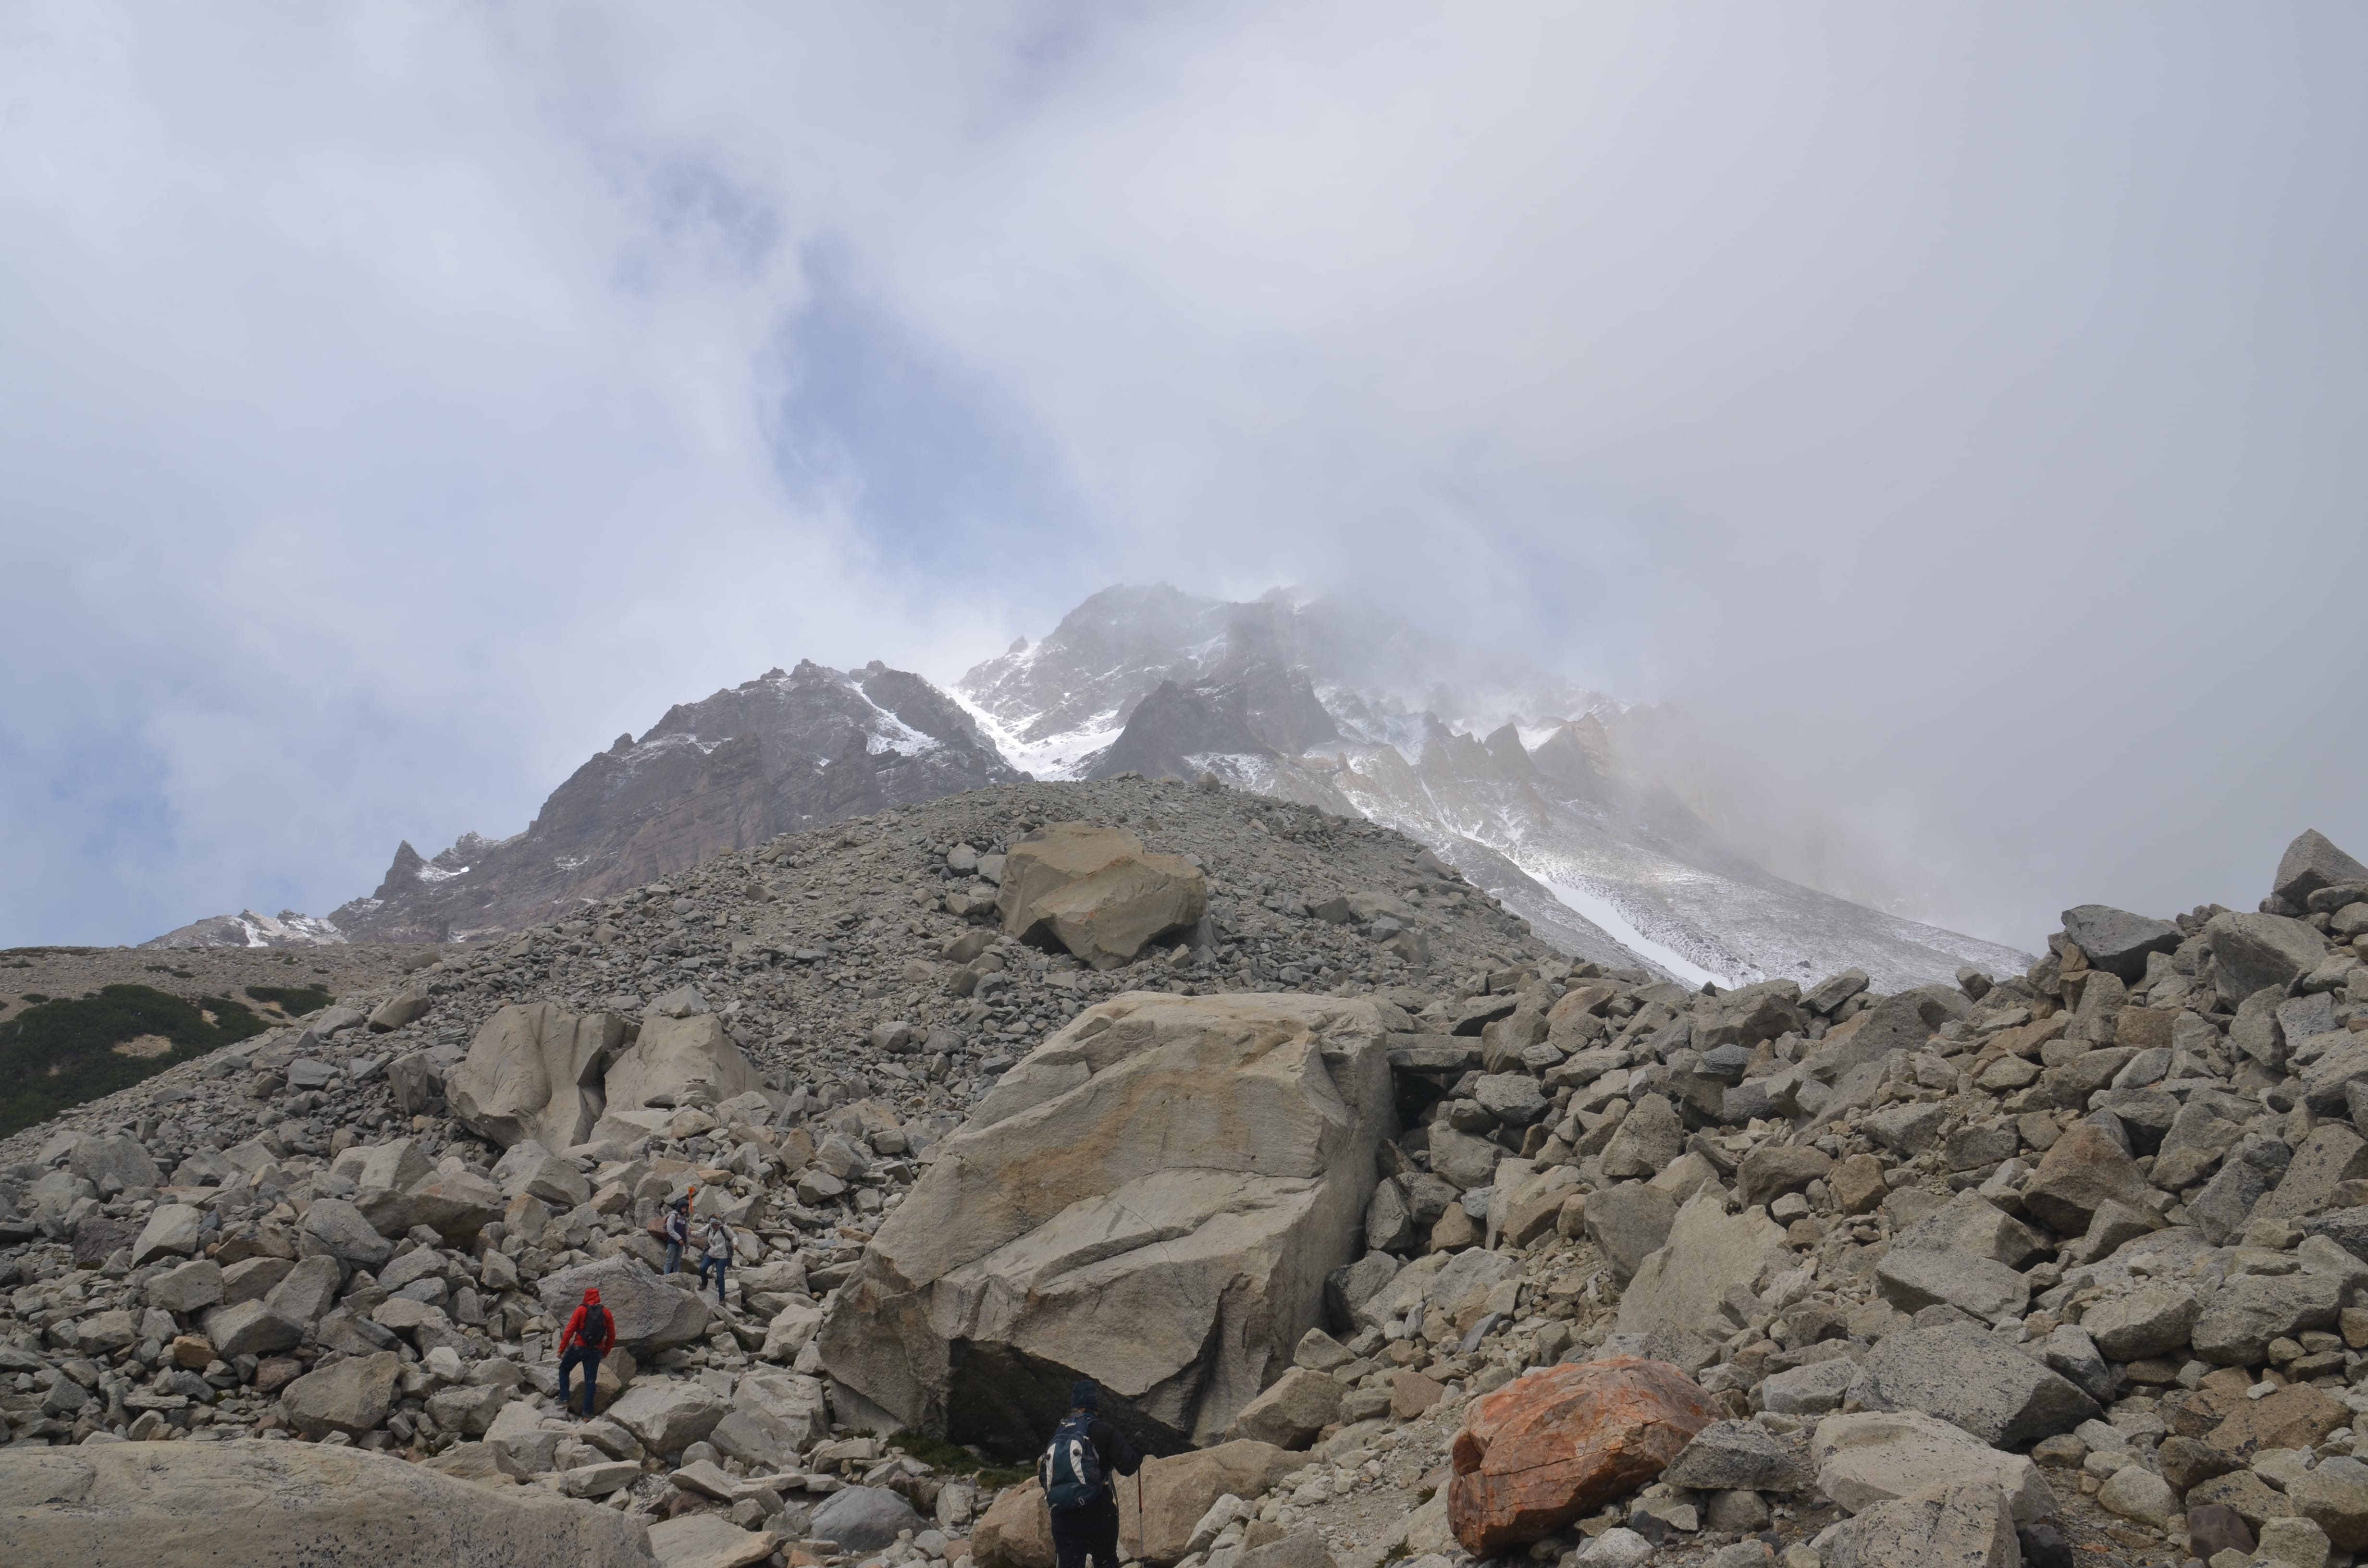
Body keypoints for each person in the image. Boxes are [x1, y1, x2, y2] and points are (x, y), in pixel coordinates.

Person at [1039, 1380, 1143, 1568]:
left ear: (1074, 1405)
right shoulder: (1105, 1430)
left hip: (1063, 1515)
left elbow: (1044, 1477)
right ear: (1095, 1404)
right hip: (1098, 1512)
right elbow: (1127, 1467)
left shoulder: (1059, 1433)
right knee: (1106, 1562)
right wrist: (1139, 1447)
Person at [555, 1286, 615, 1419]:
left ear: (586, 1297)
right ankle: (587, 1413)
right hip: (596, 1350)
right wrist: (605, 1352)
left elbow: (570, 1330)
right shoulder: (606, 1313)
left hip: (579, 1348)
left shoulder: (581, 1310)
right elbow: (612, 1335)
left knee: (564, 1369)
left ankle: (564, 1398)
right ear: (598, 1298)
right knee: (590, 1381)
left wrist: (561, 1349)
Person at [696, 1215, 733, 1304]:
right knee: (702, 1268)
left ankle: (722, 1298)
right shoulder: (709, 1228)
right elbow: (699, 1233)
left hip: (722, 1256)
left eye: (717, 1225)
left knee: (720, 1277)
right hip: (711, 1254)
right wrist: (690, 1233)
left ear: (719, 1223)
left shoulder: (724, 1229)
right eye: (713, 1225)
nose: (715, 1227)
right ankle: (704, 1283)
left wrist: (735, 1243)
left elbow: (733, 1237)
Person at [661, 1195, 691, 1274]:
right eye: (683, 1208)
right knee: (669, 1261)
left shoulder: (684, 1219)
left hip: (681, 1244)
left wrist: (687, 1246)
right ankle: (666, 1277)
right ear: (679, 1207)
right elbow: (670, 1229)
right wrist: (679, 1239)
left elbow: (687, 1232)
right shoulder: (673, 1216)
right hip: (672, 1242)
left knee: (677, 1262)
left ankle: (676, 1277)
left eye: (686, 1208)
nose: (684, 1210)